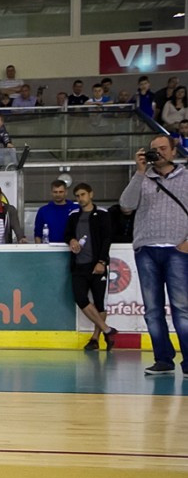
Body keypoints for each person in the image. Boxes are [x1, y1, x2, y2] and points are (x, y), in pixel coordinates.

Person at [119, 136, 188, 375]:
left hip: (177, 249)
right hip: (146, 249)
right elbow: (126, 205)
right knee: (152, 310)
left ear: (173, 150)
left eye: (163, 149)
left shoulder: (186, 177)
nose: (158, 153)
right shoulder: (144, 178)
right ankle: (163, 359)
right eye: (153, 150)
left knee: (181, 307)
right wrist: (139, 172)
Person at [64, 183, 117, 351]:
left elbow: (107, 238)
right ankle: (108, 330)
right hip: (79, 265)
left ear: (91, 194)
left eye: (83, 195)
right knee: (81, 298)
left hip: (96, 265)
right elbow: (68, 234)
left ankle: (96, 337)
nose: (80, 199)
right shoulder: (73, 215)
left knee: (100, 302)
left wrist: (102, 261)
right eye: (77, 196)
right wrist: (71, 240)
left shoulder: (102, 214)